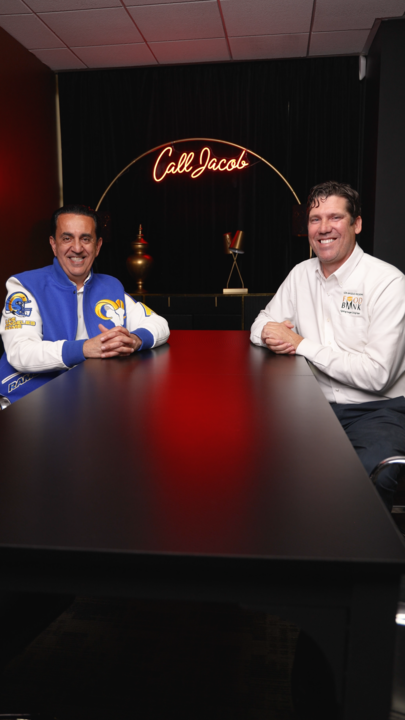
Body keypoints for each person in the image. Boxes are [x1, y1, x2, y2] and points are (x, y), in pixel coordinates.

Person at [250, 181, 405, 509]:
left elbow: (377, 375)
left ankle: (359, 543)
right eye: (314, 219)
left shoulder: (388, 282)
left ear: (356, 224)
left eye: (335, 217)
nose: (323, 228)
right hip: (312, 408)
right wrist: (269, 333)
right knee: (261, 467)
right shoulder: (300, 275)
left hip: (378, 411)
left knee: (366, 483)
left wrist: (300, 344)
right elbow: (260, 324)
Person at [0, 205, 170, 404]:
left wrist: (134, 340)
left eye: (85, 239)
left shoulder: (110, 286)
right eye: (67, 238)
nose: (77, 248)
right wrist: (85, 348)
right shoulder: (24, 287)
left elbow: (160, 325)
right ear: (53, 244)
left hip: (92, 398)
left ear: (98, 246)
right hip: (32, 402)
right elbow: (20, 352)